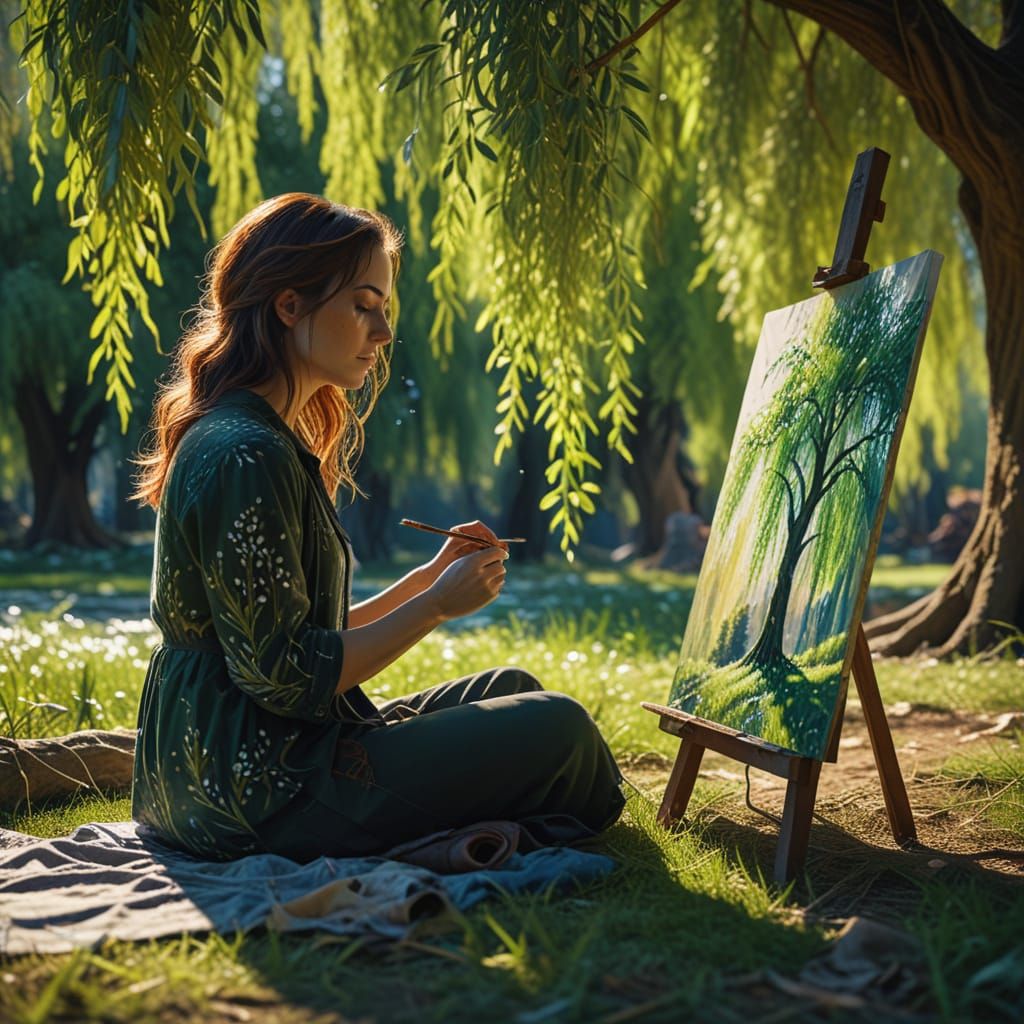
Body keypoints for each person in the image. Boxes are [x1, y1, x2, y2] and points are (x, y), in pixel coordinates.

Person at [130, 193, 625, 862]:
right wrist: (436, 606)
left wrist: (429, 578)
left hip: (232, 769)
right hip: (257, 794)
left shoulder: (254, 436)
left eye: (383, 311)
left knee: (511, 690)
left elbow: (296, 636)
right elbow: (286, 675)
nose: (383, 334)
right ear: (289, 305)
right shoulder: (246, 451)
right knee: (559, 729)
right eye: (364, 306)